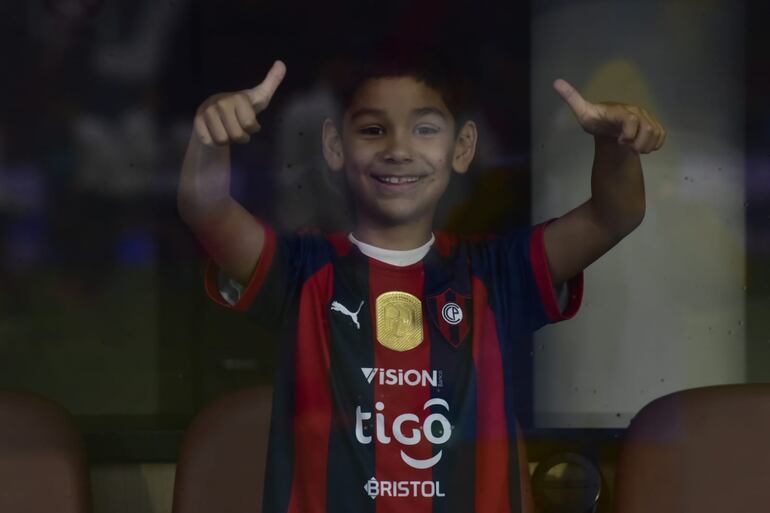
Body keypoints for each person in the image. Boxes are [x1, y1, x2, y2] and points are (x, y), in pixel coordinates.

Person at [177, 49, 666, 513]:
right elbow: (207, 209)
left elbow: (614, 215)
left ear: (463, 148)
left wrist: (613, 144)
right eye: (372, 130)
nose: (398, 149)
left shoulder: (494, 275)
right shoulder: (305, 271)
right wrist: (210, 131)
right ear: (333, 146)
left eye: (425, 129)